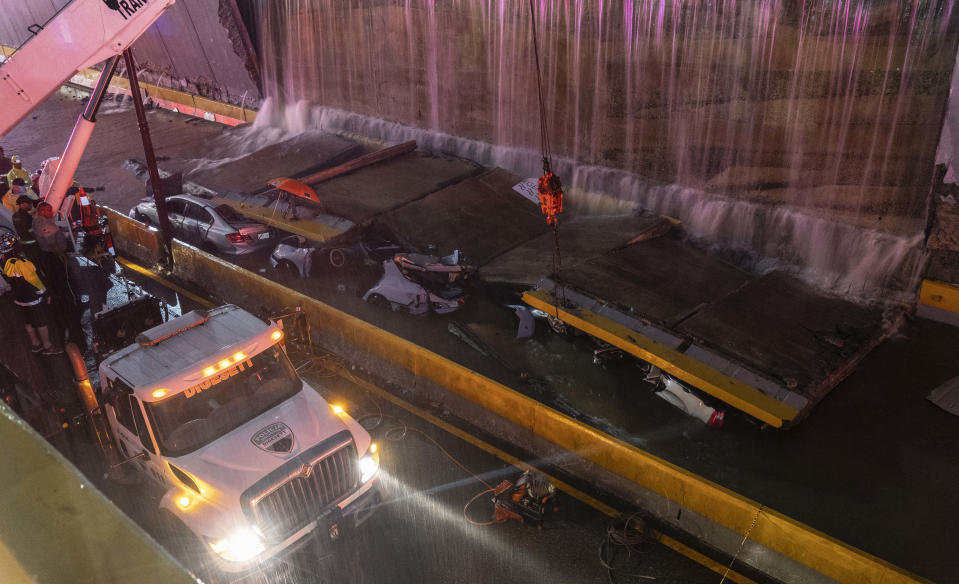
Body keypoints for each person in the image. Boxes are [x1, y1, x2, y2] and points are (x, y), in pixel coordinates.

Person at [0, 232, 62, 355]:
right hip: (32, 298)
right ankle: (47, 346)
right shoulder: (22, 263)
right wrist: (46, 293)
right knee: (41, 322)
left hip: (18, 298)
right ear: (14, 246)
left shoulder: (2, 262)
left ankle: (35, 344)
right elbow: (35, 282)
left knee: (28, 322)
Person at [12, 195, 40, 266]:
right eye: (30, 203)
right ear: (23, 204)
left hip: (25, 247)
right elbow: (31, 230)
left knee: (34, 265)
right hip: (33, 246)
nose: (31, 205)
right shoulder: (26, 217)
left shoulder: (15, 215)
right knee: (39, 264)